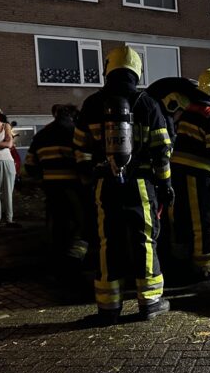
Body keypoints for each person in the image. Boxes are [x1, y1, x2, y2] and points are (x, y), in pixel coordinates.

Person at [74, 45, 173, 325]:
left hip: (104, 184)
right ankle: (150, 302)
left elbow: (80, 148)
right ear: (136, 70)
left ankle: (108, 307)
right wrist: (165, 184)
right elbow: (162, 150)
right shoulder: (148, 103)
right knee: (145, 241)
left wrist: (90, 177)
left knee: (108, 242)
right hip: (141, 184)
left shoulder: (92, 104)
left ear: (108, 69)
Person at [169, 68, 210, 281]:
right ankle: (204, 267)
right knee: (203, 222)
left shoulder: (190, 109)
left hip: (178, 172)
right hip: (196, 174)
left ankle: (180, 261)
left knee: (181, 218)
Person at [25, 104, 87, 265]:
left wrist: (42, 177)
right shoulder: (75, 132)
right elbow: (84, 161)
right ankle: (74, 256)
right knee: (80, 218)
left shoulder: (41, 135)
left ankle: (55, 254)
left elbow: (30, 164)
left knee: (55, 219)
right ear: (74, 116)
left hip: (50, 186)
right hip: (73, 185)